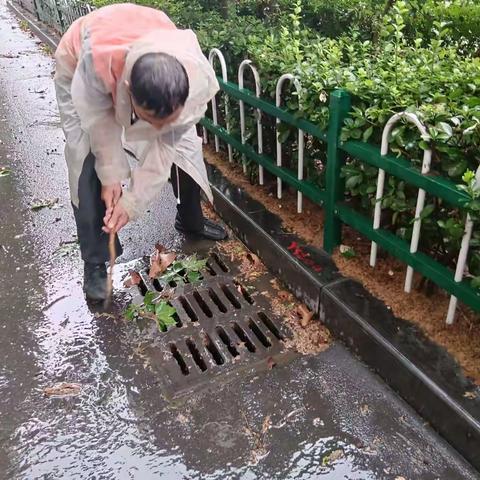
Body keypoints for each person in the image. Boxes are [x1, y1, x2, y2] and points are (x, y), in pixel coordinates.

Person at [54, 3, 227, 301]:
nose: (155, 129)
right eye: (149, 120)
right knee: (86, 158)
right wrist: (111, 179)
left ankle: (190, 218)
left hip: (142, 58)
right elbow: (100, 127)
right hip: (80, 65)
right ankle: (95, 261)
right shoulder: (96, 67)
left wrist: (132, 203)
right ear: (128, 90)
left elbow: (163, 149)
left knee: (183, 143)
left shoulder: (193, 75)